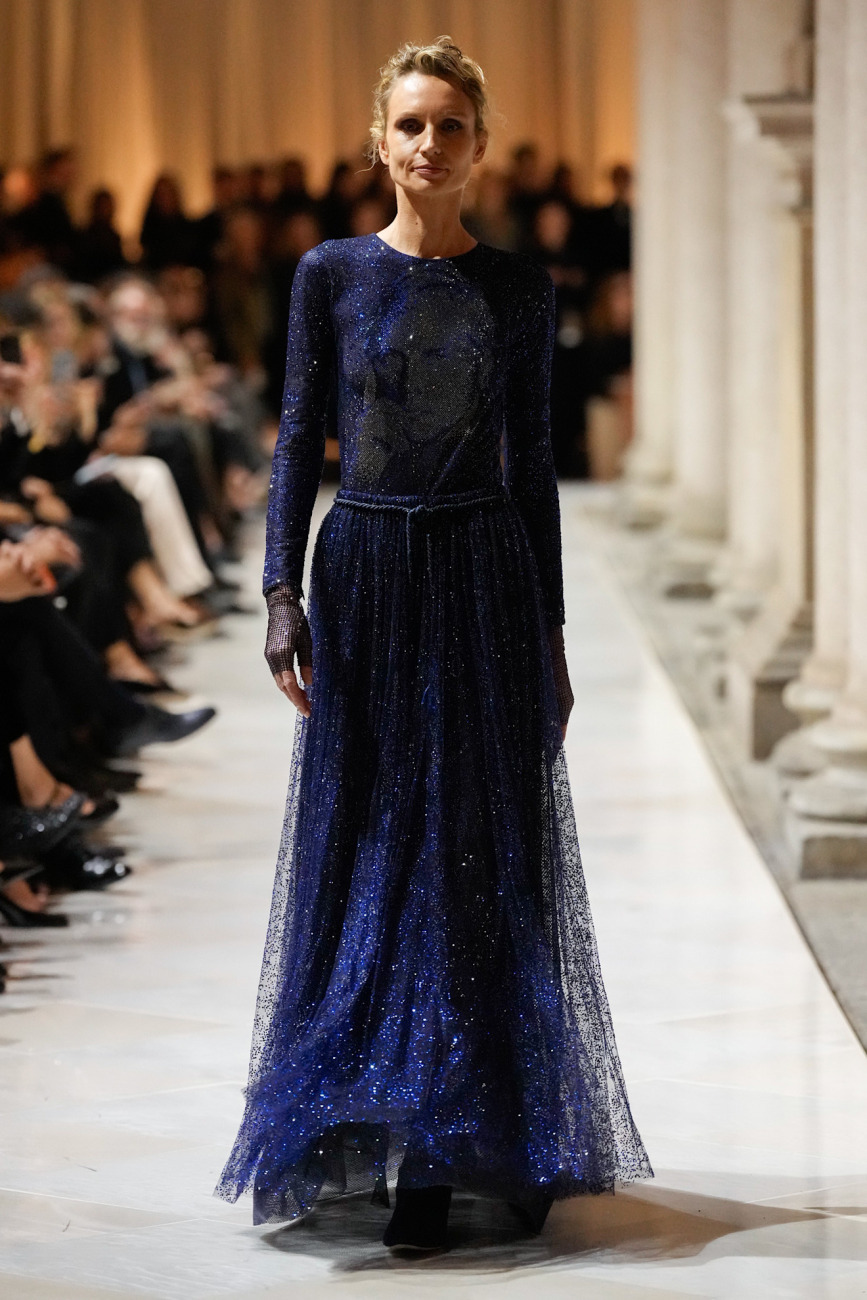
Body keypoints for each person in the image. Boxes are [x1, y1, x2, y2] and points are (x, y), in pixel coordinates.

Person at [216, 36, 652, 1253]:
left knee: (469, 851)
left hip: (480, 575)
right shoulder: (331, 275)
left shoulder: (518, 286)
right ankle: (379, 1116)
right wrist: (280, 594)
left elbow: (537, 469)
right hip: (364, 572)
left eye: (449, 125)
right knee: (370, 842)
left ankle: (445, 1141)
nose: (428, 144)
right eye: (410, 124)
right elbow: (298, 437)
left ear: (479, 145)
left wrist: (551, 635)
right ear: (379, 141)